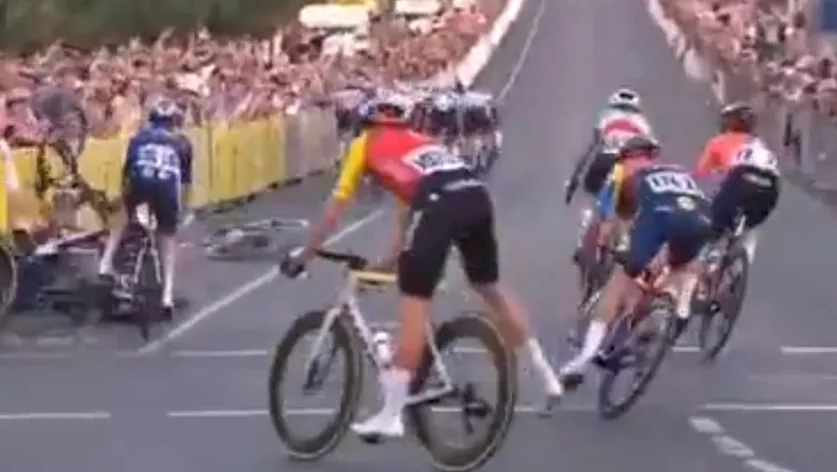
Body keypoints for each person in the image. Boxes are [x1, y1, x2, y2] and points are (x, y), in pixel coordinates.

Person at [284, 90, 562, 440]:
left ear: (366, 123)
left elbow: (335, 207)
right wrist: (389, 263)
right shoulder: (421, 143)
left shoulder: (366, 144)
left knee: (414, 305)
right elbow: (406, 217)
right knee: (488, 286)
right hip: (475, 197)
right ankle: (545, 375)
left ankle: (391, 414)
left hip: (439, 205)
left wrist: (305, 253)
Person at [558, 134, 709, 388]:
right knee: (679, 264)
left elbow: (623, 219)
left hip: (660, 218)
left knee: (620, 283)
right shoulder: (678, 172)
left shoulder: (624, 172)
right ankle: (678, 303)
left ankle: (583, 360)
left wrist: (622, 250)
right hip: (700, 218)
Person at [101, 97, 193, 316]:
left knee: (123, 212)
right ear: (174, 121)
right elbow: (185, 182)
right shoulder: (183, 142)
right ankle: (167, 295)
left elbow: (126, 173)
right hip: (166, 188)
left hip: (141, 181)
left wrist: (123, 198)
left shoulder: (138, 137)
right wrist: (182, 211)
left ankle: (106, 261)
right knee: (167, 237)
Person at [564, 88, 653, 260]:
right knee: (629, 206)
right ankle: (624, 240)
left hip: (605, 159)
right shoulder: (643, 123)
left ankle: (581, 241)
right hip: (630, 165)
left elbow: (591, 149)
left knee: (592, 198)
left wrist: (574, 181)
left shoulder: (606, 117)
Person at [695, 102, 780, 264]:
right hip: (770, 186)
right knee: (750, 226)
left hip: (740, 178)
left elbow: (701, 173)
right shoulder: (759, 144)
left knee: (716, 219)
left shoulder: (719, 141)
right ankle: (743, 261)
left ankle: (708, 252)